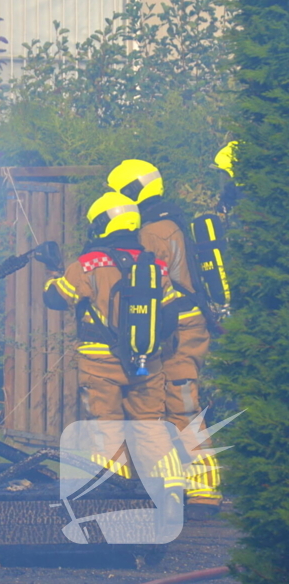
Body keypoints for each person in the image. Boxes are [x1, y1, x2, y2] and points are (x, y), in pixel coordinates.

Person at [42, 192, 183, 491]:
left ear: (103, 224)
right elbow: (172, 314)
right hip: (147, 360)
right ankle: (169, 489)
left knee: (106, 428)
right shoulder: (155, 265)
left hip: (99, 362)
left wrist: (52, 275)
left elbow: (56, 298)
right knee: (152, 427)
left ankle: (114, 493)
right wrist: (149, 346)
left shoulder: (89, 264)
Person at [106, 160, 221, 518]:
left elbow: (149, 285)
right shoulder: (175, 221)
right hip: (185, 326)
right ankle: (183, 486)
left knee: (180, 405)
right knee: (173, 405)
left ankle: (202, 491)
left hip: (177, 330)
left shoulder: (153, 232)